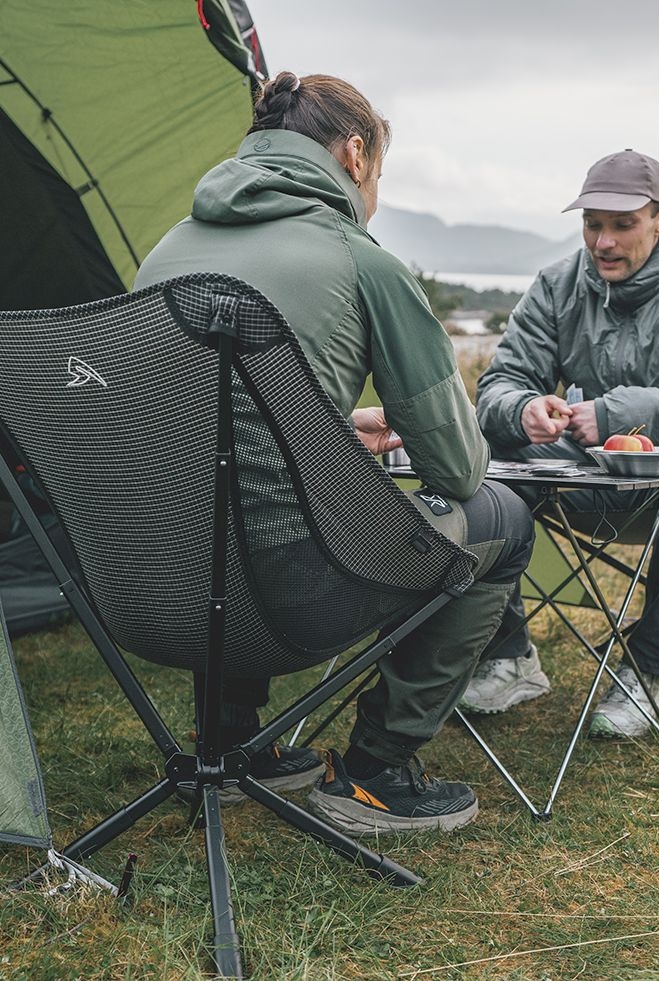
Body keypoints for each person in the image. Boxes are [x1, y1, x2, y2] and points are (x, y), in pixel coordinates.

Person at [134, 72, 534, 835]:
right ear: (355, 155)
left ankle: (230, 743)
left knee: (222, 509)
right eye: (378, 171)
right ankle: (377, 772)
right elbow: (457, 471)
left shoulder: (167, 253)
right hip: (289, 600)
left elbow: (204, 428)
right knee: (502, 518)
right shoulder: (361, 260)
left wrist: (329, 429)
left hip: (153, 589)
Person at [463, 149, 659, 737]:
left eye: (622, 224)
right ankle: (509, 655)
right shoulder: (556, 285)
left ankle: (648, 669)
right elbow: (499, 385)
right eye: (592, 223)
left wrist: (619, 412)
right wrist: (523, 410)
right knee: (484, 465)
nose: (603, 241)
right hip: (579, 477)